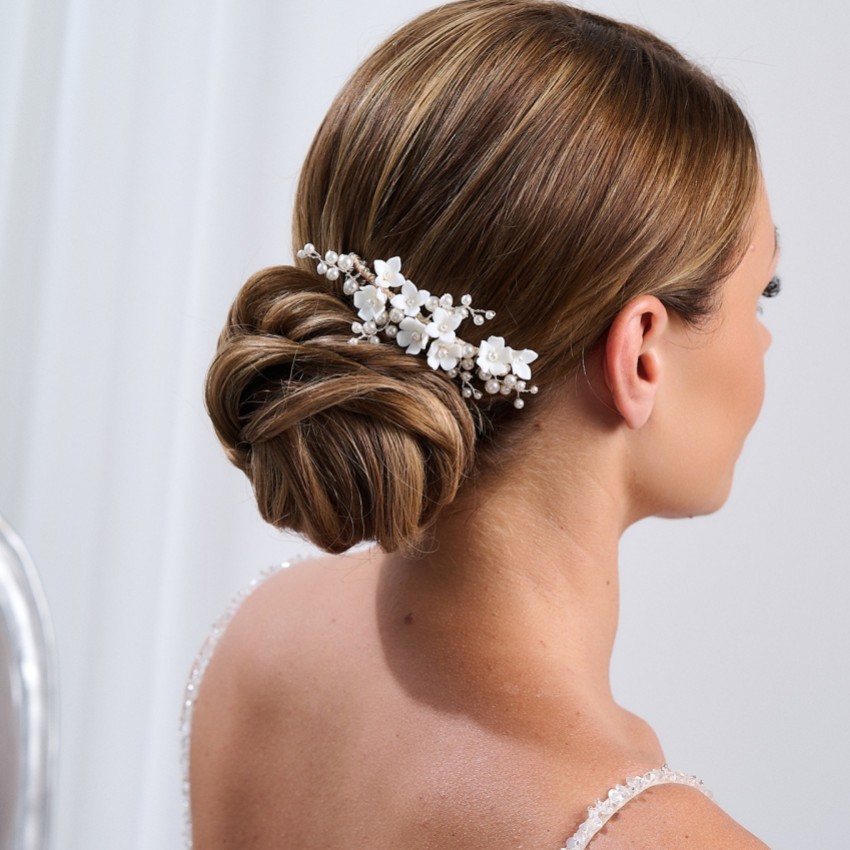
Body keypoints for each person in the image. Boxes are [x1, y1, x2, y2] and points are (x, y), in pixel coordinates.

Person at [186, 1, 780, 847]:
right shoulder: (647, 835)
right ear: (641, 352)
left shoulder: (264, 645)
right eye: (763, 294)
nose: (765, 340)